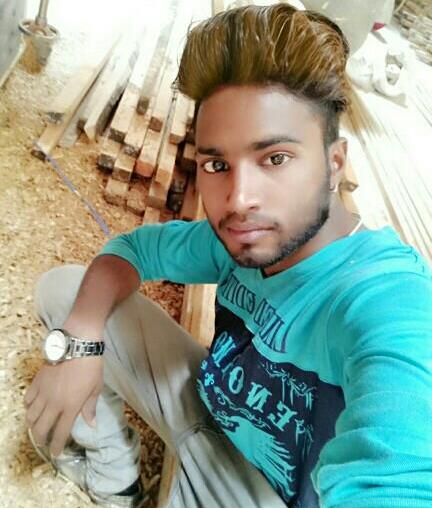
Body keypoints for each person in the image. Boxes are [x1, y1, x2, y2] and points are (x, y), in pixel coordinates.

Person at [24, 4, 432, 508]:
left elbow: (400, 474)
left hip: (259, 495)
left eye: (274, 158)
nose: (238, 200)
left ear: (334, 164)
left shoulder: (389, 300)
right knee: (65, 292)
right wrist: (79, 342)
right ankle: (116, 480)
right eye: (217, 164)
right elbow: (127, 251)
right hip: (211, 414)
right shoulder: (242, 240)